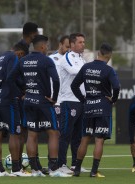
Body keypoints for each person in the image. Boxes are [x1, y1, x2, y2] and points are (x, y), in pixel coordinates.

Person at [17, 35, 71, 177]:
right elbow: (55, 79)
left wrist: (22, 92)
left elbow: (13, 78)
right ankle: (53, 169)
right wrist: (53, 98)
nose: (47, 48)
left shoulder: (23, 61)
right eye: (46, 46)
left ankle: (35, 169)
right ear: (41, 46)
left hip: (28, 101)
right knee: (53, 132)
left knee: (32, 134)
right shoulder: (46, 60)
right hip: (43, 101)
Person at [71, 43, 120, 177]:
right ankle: (93, 171)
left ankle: (77, 170)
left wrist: (83, 99)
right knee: (99, 140)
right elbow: (116, 86)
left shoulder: (86, 67)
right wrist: (113, 99)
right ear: (109, 56)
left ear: (98, 53)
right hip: (103, 107)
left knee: (85, 139)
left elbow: (74, 85)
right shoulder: (108, 70)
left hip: (89, 107)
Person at [0, 42, 31, 177]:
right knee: (14, 133)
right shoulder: (13, 57)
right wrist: (21, 92)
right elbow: (12, 77)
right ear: (20, 53)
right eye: (22, 58)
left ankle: (0, 170)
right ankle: (16, 170)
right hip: (9, 100)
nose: (20, 61)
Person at [56, 33, 88, 174]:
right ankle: (61, 164)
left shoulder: (82, 59)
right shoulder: (66, 58)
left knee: (78, 136)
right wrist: (91, 71)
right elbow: (74, 71)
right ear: (73, 44)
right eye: (80, 42)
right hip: (69, 100)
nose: (83, 44)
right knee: (65, 134)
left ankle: (75, 164)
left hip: (81, 101)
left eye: (84, 42)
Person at [48, 35, 70, 126]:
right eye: (67, 47)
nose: (68, 50)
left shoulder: (71, 60)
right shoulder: (51, 59)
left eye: (70, 47)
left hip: (68, 100)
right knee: (56, 130)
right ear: (60, 44)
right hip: (55, 100)